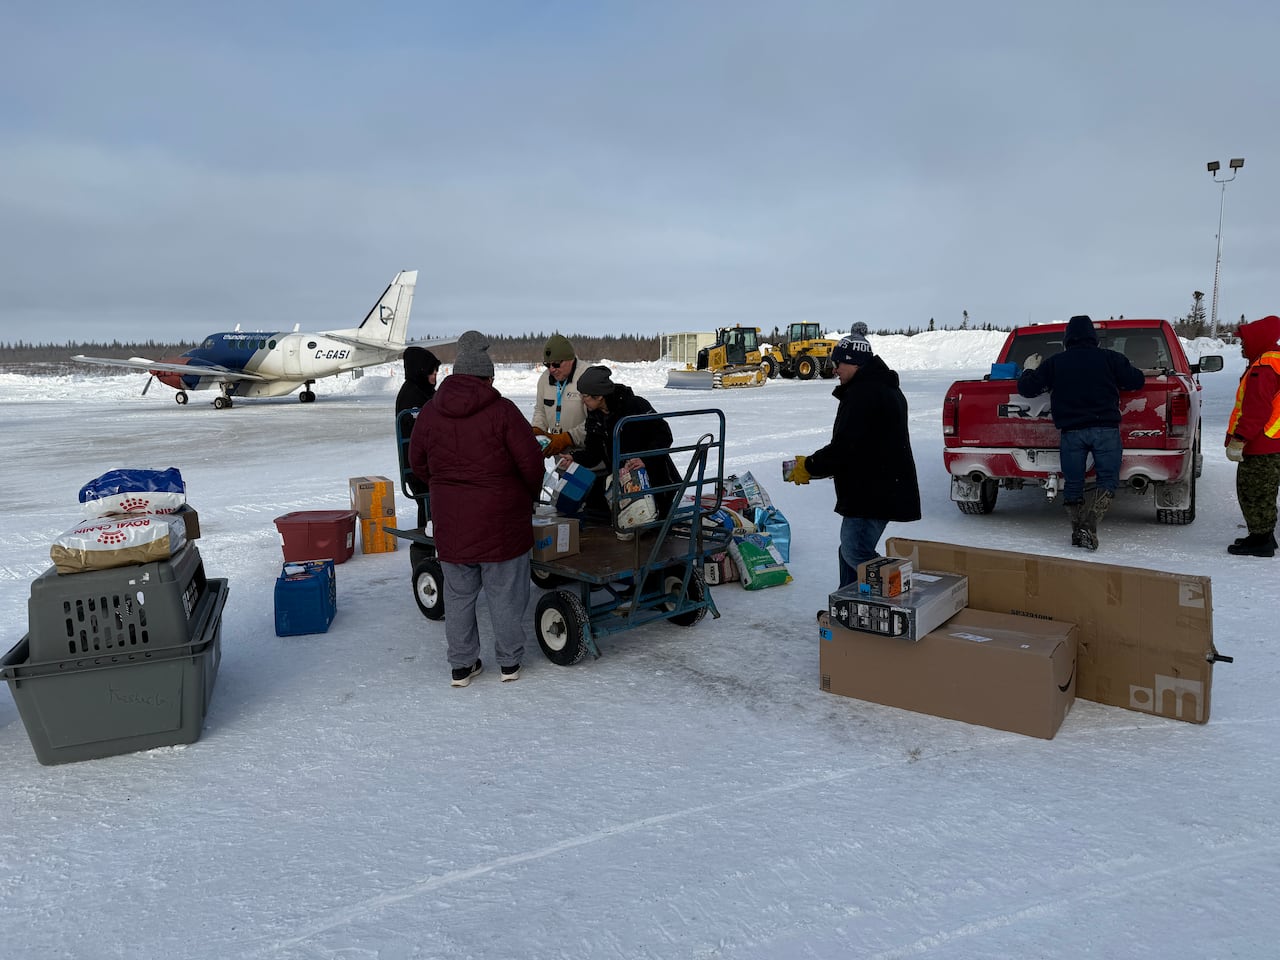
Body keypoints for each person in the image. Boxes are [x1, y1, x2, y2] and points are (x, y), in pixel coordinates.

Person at [408, 331, 545, 686]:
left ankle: (461, 666)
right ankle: (510, 664)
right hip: (501, 521)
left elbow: (417, 463)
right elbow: (531, 463)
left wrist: (442, 487)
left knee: (458, 597)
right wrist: (527, 495)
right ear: (487, 378)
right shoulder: (503, 411)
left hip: (452, 523)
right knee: (505, 594)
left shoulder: (429, 411)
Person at [786, 324, 920, 587]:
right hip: (877, 485)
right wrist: (818, 466)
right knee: (849, 550)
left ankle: (901, 591)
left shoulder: (864, 394)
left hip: (872, 490)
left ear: (854, 362)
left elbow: (846, 447)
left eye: (838, 363)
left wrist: (810, 466)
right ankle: (847, 605)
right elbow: (862, 446)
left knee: (855, 552)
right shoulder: (881, 387)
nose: (834, 369)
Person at [1017, 314, 1144, 550]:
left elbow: (1027, 389)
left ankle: (1078, 531)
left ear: (1067, 339)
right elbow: (1136, 381)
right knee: (1107, 480)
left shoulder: (1056, 363)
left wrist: (1028, 370)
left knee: (1073, 482)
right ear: (1094, 338)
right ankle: (1090, 525)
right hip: (1105, 430)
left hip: (1072, 432)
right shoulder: (1110, 358)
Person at [561, 364, 681, 522]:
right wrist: (574, 458)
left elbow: (664, 435)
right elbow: (594, 453)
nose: (582, 401)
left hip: (654, 477)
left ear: (599, 396)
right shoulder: (595, 417)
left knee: (647, 526)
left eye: (585, 396)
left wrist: (644, 459)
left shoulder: (636, 406)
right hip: (623, 480)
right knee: (591, 504)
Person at [1224, 314, 1280, 558]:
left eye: (1244, 341)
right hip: (1273, 439)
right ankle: (1263, 536)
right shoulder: (1274, 361)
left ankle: (1261, 540)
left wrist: (1240, 438)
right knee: (1264, 491)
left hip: (1262, 443)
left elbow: (1257, 409)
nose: (1242, 346)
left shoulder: (1263, 368)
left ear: (1257, 340)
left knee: (1254, 491)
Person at [395, 346, 441, 529]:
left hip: (422, 463)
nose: (435, 376)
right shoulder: (412, 395)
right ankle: (426, 544)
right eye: (432, 372)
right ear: (421, 371)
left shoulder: (424, 391)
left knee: (429, 504)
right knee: (429, 503)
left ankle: (428, 541)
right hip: (419, 466)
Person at [531, 334, 587, 458]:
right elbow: (541, 411)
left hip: (590, 462)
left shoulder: (587, 376)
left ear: (570, 359)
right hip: (562, 462)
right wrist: (537, 431)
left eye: (556, 364)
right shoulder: (544, 380)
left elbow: (596, 421)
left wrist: (566, 438)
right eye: (547, 364)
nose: (551, 369)